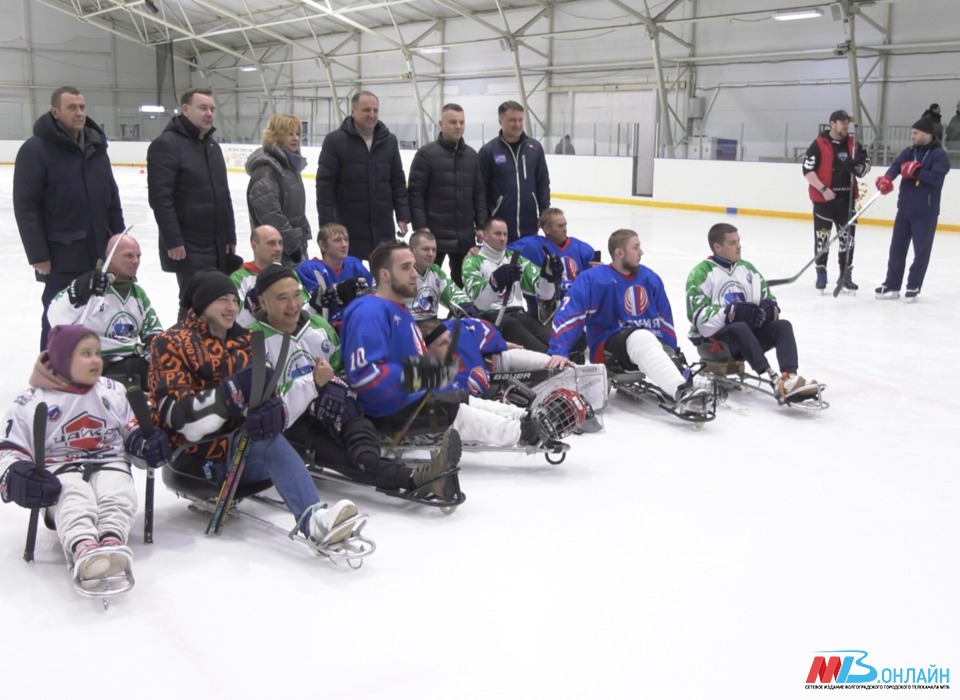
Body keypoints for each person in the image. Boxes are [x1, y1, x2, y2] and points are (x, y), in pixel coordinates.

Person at [147, 270, 365, 553]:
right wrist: (231, 395)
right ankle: (316, 521)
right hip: (195, 459)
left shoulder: (247, 341)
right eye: (220, 300)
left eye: (233, 300)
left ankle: (314, 519)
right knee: (265, 437)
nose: (230, 307)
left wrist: (272, 410)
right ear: (200, 305)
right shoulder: (171, 343)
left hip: (241, 453)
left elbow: (266, 396)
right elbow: (179, 419)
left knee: (270, 433)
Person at [340, 242, 584, 449]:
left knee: (462, 398)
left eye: (413, 266)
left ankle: (523, 417)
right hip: (390, 411)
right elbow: (365, 376)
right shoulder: (368, 312)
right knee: (458, 412)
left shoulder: (398, 308)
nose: (415, 273)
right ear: (384, 275)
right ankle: (525, 432)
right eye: (405, 268)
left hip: (412, 397)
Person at [248, 264, 457, 501]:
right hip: (292, 423)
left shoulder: (318, 327)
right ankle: (415, 478)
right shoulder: (252, 341)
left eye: (297, 295)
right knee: (350, 454)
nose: (293, 305)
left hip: (340, 408)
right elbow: (261, 401)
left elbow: (345, 369)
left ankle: (415, 460)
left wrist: (337, 386)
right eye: (282, 299)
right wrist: (314, 386)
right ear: (263, 303)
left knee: (361, 433)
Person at [0, 325, 170, 588]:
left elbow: (131, 427)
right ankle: (83, 547)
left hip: (109, 459)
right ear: (63, 359)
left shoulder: (112, 390)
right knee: (72, 497)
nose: (96, 360)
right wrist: (17, 477)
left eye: (98, 353)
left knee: (118, 492)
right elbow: (11, 449)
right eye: (85, 354)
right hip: (60, 466)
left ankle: (113, 540)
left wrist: (144, 443)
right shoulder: (32, 400)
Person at [13, 86, 125, 350]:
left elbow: (112, 198)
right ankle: (49, 371)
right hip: (62, 253)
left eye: (82, 107)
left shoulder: (97, 147)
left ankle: (89, 370)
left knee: (97, 314)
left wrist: (118, 242)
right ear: (55, 112)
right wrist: (38, 254)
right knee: (59, 315)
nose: (79, 113)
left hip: (99, 250)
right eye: (72, 108)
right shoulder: (35, 150)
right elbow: (26, 206)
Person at [549, 229, 703, 407]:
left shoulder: (650, 278)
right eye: (636, 247)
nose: (641, 252)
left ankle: (677, 382)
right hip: (608, 347)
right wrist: (559, 351)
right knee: (641, 336)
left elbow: (665, 320)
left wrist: (672, 351)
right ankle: (681, 390)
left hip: (648, 344)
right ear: (619, 253)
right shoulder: (593, 279)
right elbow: (569, 316)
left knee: (647, 339)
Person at [686, 223, 820, 401]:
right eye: (733, 243)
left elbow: (769, 298)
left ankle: (789, 377)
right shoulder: (701, 273)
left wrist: (768, 310)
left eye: (739, 241)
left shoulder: (747, 269)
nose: (739, 246)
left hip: (745, 339)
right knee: (739, 326)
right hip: (714, 344)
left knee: (782, 326)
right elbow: (699, 318)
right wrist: (729, 313)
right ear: (717, 247)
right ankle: (773, 379)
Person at [147, 88, 237, 299]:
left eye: (212, 109)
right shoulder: (166, 145)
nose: (209, 113)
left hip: (216, 242)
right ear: (185, 110)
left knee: (217, 300)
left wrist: (230, 233)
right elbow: (161, 199)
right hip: (189, 245)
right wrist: (173, 240)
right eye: (203, 108)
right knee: (193, 301)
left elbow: (224, 195)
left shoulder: (212, 146)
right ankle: (185, 334)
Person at [47, 234, 162, 390]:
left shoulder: (138, 293)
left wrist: (155, 347)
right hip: (99, 364)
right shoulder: (89, 287)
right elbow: (55, 317)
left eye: (138, 256)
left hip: (134, 360)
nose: (136, 261)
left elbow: (154, 331)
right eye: (128, 255)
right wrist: (77, 292)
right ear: (110, 255)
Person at [316, 91, 410, 262]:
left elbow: (397, 180)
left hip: (382, 224)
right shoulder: (335, 141)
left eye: (375, 110)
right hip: (348, 225)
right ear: (353, 111)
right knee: (352, 279)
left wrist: (402, 214)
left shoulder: (389, 141)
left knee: (384, 275)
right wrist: (327, 225)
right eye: (366, 110)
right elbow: (325, 186)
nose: (372, 115)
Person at [407, 103, 487, 287]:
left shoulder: (471, 156)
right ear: (441, 124)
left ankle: (461, 314)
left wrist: (481, 224)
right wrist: (421, 227)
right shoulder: (426, 154)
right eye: (453, 122)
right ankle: (424, 313)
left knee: (464, 282)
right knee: (426, 282)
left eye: (461, 122)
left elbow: (479, 193)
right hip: (434, 234)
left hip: (464, 233)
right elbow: (415, 194)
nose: (458, 126)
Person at [873, 118, 950, 302]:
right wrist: (887, 179)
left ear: (926, 133)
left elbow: (937, 178)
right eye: (912, 133)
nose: (912, 136)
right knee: (897, 249)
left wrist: (916, 173)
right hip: (904, 209)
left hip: (925, 212)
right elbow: (896, 166)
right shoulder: (909, 152)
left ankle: (913, 285)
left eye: (916, 133)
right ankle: (892, 284)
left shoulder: (939, 155)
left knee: (921, 251)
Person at [461, 218, 560, 352]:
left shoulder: (515, 258)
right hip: (491, 317)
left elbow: (545, 293)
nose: (502, 238)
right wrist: (495, 282)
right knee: (541, 350)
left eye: (505, 234)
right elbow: (479, 304)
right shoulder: (472, 262)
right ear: (485, 235)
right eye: (497, 234)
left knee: (557, 342)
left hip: (518, 314)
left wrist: (549, 276)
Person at [419, 316, 573, 398]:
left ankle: (573, 370)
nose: (450, 346)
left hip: (491, 366)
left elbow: (481, 329)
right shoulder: (427, 380)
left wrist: (501, 343)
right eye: (442, 344)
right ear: (426, 351)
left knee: (541, 360)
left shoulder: (460, 331)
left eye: (449, 339)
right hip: (485, 400)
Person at [802, 109, 871, 291]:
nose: (845, 126)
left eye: (847, 122)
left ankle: (845, 274)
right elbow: (807, 170)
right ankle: (821, 273)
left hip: (846, 199)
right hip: (824, 200)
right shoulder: (819, 143)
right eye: (841, 122)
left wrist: (859, 167)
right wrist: (824, 190)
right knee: (822, 238)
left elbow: (866, 164)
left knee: (847, 240)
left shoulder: (853, 143)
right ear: (832, 124)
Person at [477, 100, 550, 242]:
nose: (517, 124)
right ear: (500, 121)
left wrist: (544, 214)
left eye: (520, 120)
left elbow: (542, 183)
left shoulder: (534, 148)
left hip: (529, 227)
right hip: (499, 230)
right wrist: (482, 223)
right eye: (512, 120)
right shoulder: (488, 151)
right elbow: (480, 191)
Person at [245, 113, 312, 265]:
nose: (295, 138)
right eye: (289, 134)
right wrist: (292, 245)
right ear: (275, 135)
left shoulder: (289, 166)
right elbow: (270, 213)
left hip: (292, 246)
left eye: (297, 133)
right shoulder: (267, 169)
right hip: (278, 250)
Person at [509, 207, 597, 298]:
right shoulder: (532, 245)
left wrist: (603, 271)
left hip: (576, 303)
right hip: (543, 302)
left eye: (565, 225)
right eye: (560, 226)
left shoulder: (582, 249)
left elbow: (594, 281)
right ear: (546, 229)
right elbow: (503, 252)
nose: (564, 229)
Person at [296, 223, 374, 326]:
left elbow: (373, 292)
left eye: (346, 240)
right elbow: (314, 305)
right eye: (337, 240)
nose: (344, 244)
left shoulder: (354, 264)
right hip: (325, 328)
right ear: (322, 245)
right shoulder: (309, 269)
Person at [408, 229, 478, 321]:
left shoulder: (435, 271)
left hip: (432, 323)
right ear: (411, 250)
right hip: (407, 325)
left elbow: (453, 292)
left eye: (434, 250)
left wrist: (466, 305)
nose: (431, 254)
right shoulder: (399, 272)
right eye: (425, 249)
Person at [229, 225, 284, 326]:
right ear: (254, 246)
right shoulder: (238, 279)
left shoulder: (290, 276)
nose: (278, 248)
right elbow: (234, 320)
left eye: (280, 243)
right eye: (271, 243)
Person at [944, 100, 960, 168]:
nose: (958, 108)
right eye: (958, 106)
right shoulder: (954, 118)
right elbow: (949, 131)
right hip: (955, 144)